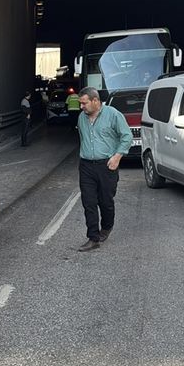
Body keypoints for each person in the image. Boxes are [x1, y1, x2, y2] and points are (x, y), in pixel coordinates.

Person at [76, 86, 132, 252]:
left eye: (84, 103)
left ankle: (106, 227)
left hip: (107, 165)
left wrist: (117, 156)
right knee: (89, 202)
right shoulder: (81, 117)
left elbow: (127, 136)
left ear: (95, 101)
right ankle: (93, 237)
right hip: (86, 165)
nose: (81, 107)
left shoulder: (113, 115)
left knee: (105, 202)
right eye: (80, 104)